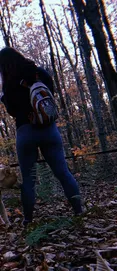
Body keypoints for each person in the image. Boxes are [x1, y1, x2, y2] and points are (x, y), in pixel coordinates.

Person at [0, 47, 82, 225]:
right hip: (49, 129)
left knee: (29, 179)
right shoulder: (40, 73)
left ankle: (28, 220)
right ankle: (79, 212)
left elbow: (13, 112)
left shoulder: (9, 83)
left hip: (25, 132)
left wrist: (5, 98)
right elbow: (51, 95)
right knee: (63, 173)